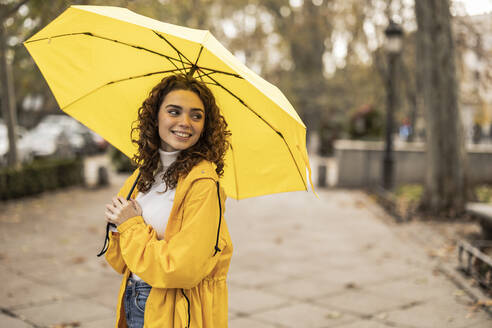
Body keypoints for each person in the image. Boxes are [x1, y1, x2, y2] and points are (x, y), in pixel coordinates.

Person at [103, 74, 233, 328]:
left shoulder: (204, 185)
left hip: (175, 309)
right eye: (174, 111)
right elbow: (119, 260)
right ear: (156, 116)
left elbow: (182, 269)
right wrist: (119, 223)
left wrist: (131, 225)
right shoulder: (143, 175)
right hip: (133, 297)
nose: (185, 122)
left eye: (196, 116)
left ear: (206, 125)